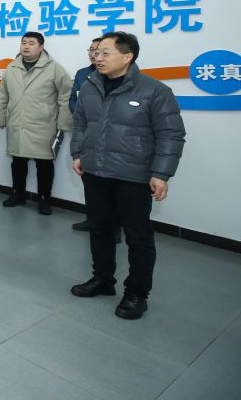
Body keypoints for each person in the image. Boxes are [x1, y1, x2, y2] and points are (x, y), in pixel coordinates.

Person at [70, 32, 185, 319]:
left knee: (137, 237)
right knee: (99, 229)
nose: (98, 57)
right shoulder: (90, 85)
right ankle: (103, 280)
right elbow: (80, 123)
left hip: (133, 177)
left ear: (127, 56)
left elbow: (171, 135)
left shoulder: (154, 90)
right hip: (95, 172)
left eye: (105, 53)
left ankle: (136, 293)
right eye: (96, 52)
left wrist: (160, 173)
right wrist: (78, 153)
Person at [0, 32, 72, 215]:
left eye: (31, 43)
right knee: (18, 162)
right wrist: (1, 117)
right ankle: (18, 194)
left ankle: (44, 199)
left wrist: (63, 123)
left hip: (43, 125)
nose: (26, 46)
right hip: (17, 122)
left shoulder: (54, 68)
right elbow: (3, 95)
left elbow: (65, 96)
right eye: (23, 43)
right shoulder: (12, 67)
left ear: (41, 46)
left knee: (44, 164)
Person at [70, 37, 102, 232]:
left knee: (109, 186)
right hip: (86, 134)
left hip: (108, 137)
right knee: (89, 182)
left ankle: (113, 228)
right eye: (91, 49)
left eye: (99, 50)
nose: (94, 54)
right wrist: (83, 115)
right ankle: (92, 219)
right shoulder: (82, 74)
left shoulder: (117, 76)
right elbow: (73, 101)